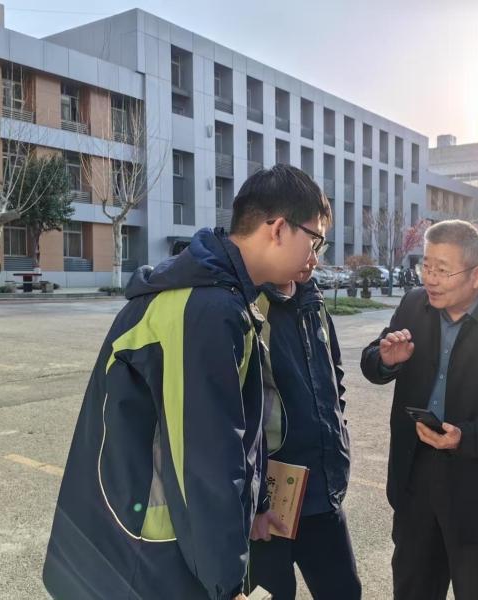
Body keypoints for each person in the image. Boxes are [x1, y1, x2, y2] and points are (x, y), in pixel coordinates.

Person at [43, 165, 331, 600]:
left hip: (156, 539)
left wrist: (256, 507)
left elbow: (236, 435)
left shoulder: (217, 294)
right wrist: (226, 582)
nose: (315, 256)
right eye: (315, 239)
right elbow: (204, 459)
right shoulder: (207, 309)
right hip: (150, 549)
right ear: (277, 229)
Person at [360, 220, 478, 600]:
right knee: (412, 588)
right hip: (415, 480)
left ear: (477, 275)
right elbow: (373, 360)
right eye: (426, 266)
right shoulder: (414, 305)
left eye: (442, 270)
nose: (430, 279)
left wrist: (466, 437)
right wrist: (386, 360)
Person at [248, 247, 361, 599]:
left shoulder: (314, 301)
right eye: (307, 245)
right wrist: (254, 500)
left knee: (345, 592)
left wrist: (337, 434)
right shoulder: (248, 307)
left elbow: (334, 377)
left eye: (319, 247)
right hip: (267, 500)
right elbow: (233, 414)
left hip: (322, 492)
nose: (313, 259)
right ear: (278, 235)